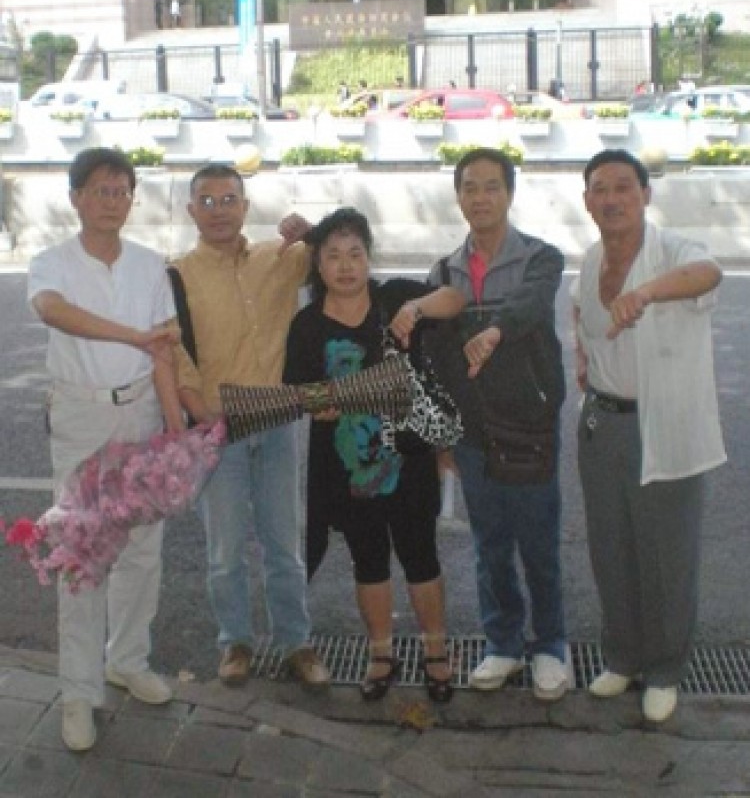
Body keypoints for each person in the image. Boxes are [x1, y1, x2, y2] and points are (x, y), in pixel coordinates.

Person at [27, 147, 184, 752]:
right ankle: (78, 692)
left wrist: (176, 433)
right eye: (100, 190)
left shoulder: (149, 266)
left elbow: (163, 349)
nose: (112, 201)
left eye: (122, 191)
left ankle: (128, 659)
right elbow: (54, 312)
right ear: (76, 199)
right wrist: (130, 335)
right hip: (81, 413)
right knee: (82, 550)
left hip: (142, 410)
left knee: (143, 546)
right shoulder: (51, 263)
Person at [283, 208, 466, 702]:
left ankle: (436, 652)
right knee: (368, 561)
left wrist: (419, 310)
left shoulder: (394, 298)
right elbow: (301, 395)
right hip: (348, 467)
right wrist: (335, 401)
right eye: (333, 256)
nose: (346, 266)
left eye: (355, 254)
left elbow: (455, 298)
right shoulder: (307, 325)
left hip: (409, 459)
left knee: (420, 556)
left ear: (369, 257)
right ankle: (380, 653)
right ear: (318, 266)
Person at [573, 149, 726, 723]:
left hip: (663, 425)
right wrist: (582, 355)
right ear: (587, 201)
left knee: (667, 554)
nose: (611, 199)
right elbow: (583, 321)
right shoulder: (590, 259)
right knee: (611, 548)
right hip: (602, 424)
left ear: (644, 196)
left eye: (623, 188)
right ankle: (623, 658)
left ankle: (664, 669)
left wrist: (646, 293)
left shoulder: (674, 251)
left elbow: (707, 274)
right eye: (599, 190)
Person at [171, 163, 329, 690]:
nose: (219, 210)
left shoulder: (278, 259)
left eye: (229, 199)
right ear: (192, 210)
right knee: (226, 548)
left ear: (245, 206)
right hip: (220, 429)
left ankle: (296, 642)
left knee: (284, 541)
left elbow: (339, 255)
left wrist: (307, 229)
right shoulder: (177, 275)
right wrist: (200, 409)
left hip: (278, 421)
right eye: (207, 201)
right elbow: (175, 348)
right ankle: (234, 642)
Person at [425, 147, 569, 701]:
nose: (480, 197)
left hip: (529, 428)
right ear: (458, 196)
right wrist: (442, 435)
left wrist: (495, 331)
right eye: (469, 187)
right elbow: (434, 362)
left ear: (509, 194)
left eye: (491, 186)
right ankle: (503, 644)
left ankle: (551, 646)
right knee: (489, 544)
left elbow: (533, 306)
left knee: (538, 542)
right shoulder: (444, 272)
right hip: (471, 433)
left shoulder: (540, 258)